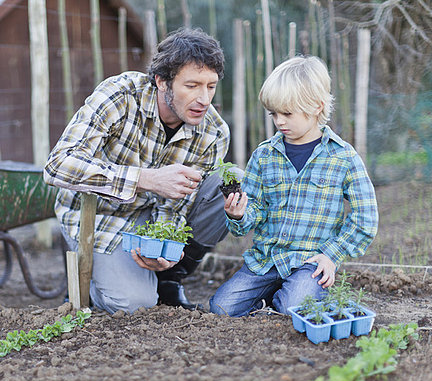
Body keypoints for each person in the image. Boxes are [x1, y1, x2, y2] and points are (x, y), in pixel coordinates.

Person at [44, 27, 239, 314]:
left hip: (151, 217)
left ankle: (169, 278)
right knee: (135, 305)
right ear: (162, 81)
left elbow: (177, 205)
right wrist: (144, 179)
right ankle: (87, 282)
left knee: (231, 181)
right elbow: (58, 165)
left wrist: (165, 248)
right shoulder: (120, 96)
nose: (204, 99)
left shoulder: (214, 131)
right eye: (192, 86)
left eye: (211, 86)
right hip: (98, 216)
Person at [209, 55, 379, 317]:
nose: (279, 121)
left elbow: (365, 217)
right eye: (273, 114)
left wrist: (331, 256)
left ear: (317, 107)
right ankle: (273, 296)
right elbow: (255, 208)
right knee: (221, 307)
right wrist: (239, 214)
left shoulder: (342, 157)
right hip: (266, 260)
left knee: (295, 307)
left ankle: (295, 294)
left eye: (287, 113)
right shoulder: (265, 155)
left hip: (311, 263)